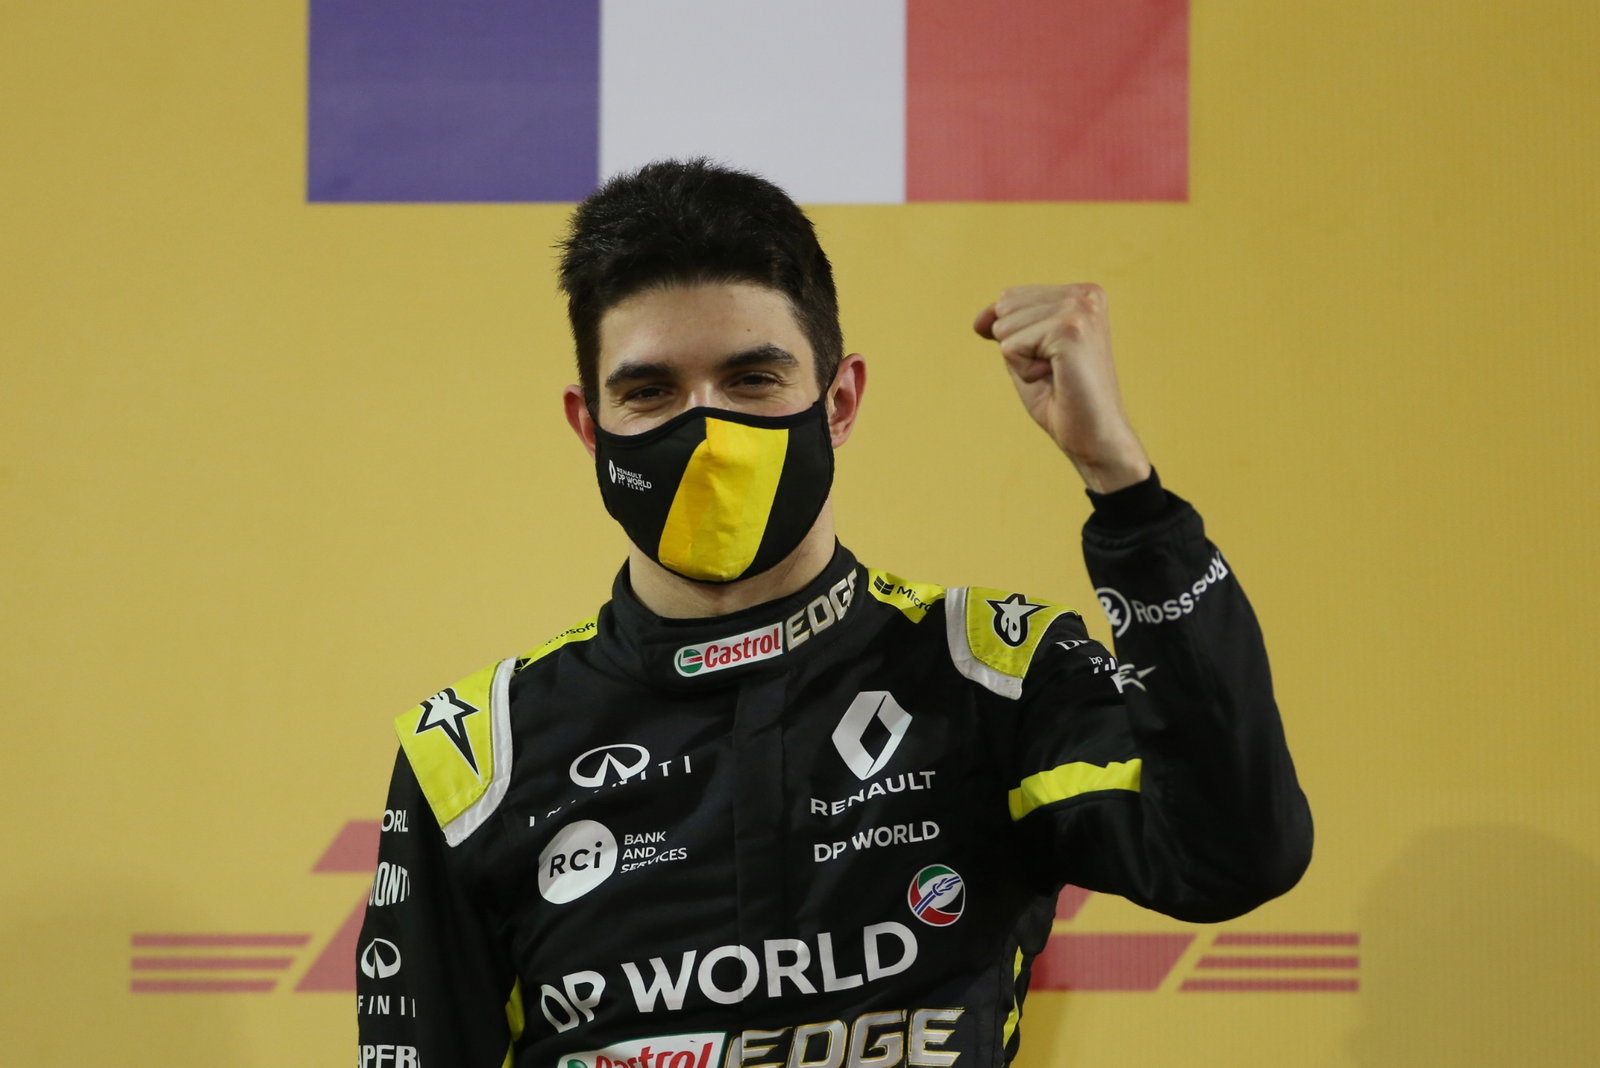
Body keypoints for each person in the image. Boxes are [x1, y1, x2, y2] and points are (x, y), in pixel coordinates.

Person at [355, 159, 1312, 1068]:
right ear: (588, 426)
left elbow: (1232, 857)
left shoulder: (990, 678)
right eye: (650, 393)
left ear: (839, 400)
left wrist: (1126, 492)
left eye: (752, 380)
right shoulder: (480, 757)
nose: (707, 432)